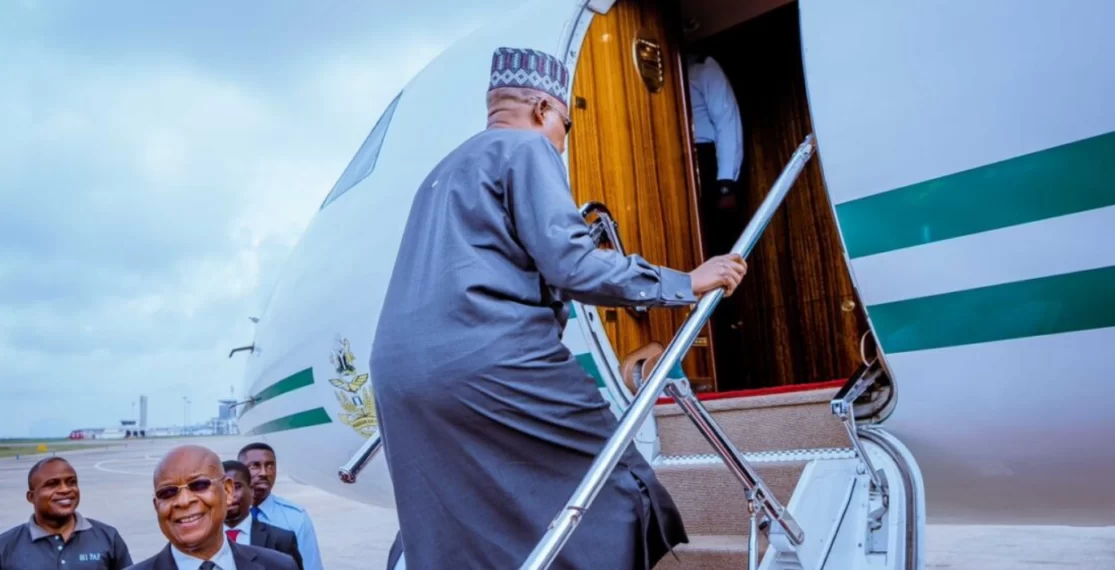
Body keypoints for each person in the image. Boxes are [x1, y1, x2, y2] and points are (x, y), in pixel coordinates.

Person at [370, 46, 748, 569]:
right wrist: (685, 282)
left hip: (398, 378)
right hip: (492, 360)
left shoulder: (441, 172)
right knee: (613, 485)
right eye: (566, 127)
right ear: (543, 109)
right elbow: (572, 265)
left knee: (470, 522)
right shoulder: (527, 147)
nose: (563, 143)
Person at [127, 444, 297, 570]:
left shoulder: (280, 566)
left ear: (228, 491)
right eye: (168, 492)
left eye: (199, 485)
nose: (184, 501)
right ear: (157, 506)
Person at [0, 457, 132, 569]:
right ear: (31, 497)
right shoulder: (6, 545)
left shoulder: (108, 537)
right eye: (52, 484)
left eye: (71, 482)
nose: (65, 489)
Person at [686, 53, 743, 249]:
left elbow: (727, 123)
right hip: (679, 160)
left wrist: (726, 184)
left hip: (705, 159)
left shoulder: (705, 68)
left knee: (714, 239)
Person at [236, 443, 322, 570]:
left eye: (270, 466)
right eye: (255, 466)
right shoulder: (224, 517)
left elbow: (310, 566)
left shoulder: (296, 518)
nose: (264, 473)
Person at [221, 460, 303, 570]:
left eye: (237, 487)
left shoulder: (282, 540)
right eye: (223, 489)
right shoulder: (201, 541)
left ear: (251, 490)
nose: (230, 496)